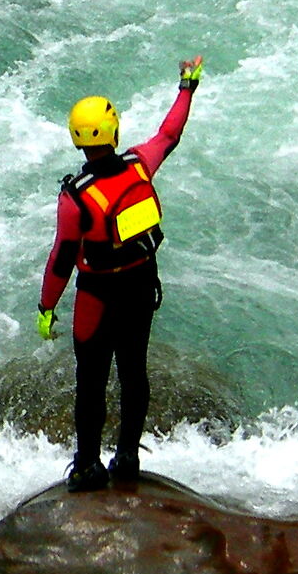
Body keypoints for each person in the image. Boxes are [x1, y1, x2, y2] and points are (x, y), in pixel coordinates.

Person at [35, 57, 204, 489]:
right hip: (141, 287)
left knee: (90, 384)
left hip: (97, 298)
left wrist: (46, 308)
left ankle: (88, 467)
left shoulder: (76, 198)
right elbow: (170, 134)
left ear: (76, 138)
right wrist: (187, 86)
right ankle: (127, 457)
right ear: (113, 131)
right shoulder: (139, 165)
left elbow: (61, 258)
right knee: (134, 372)